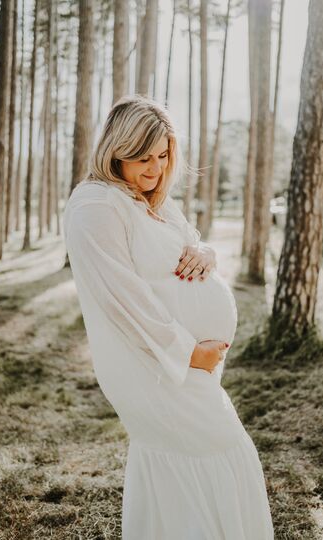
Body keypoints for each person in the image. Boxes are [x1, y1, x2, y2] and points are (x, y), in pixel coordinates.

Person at [63, 95, 274, 539]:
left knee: (198, 463)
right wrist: (189, 353)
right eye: (143, 158)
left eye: (163, 156)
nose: (156, 169)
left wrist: (206, 251)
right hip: (155, 367)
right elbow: (121, 299)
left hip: (179, 367)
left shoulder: (144, 198)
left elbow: (188, 243)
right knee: (218, 448)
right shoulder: (96, 205)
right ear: (114, 151)